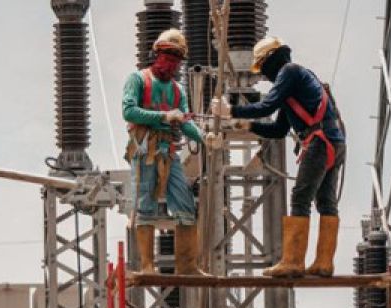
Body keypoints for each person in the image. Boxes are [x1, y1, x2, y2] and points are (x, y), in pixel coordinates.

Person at [215, 36, 346, 278]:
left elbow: (266, 106)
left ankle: (294, 262)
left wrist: (231, 110)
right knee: (326, 202)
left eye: (263, 68)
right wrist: (247, 125)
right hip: (333, 141)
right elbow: (279, 130)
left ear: (270, 60)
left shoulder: (290, 72)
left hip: (318, 142)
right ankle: (324, 263)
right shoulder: (297, 84)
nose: (264, 76)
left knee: (300, 198)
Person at [122, 28, 214, 275]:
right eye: (167, 57)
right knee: (145, 205)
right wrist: (164, 115)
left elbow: (184, 121)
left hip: (167, 151)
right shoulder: (138, 80)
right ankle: (148, 266)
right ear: (156, 54)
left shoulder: (177, 90)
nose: (171, 63)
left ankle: (188, 265)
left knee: (184, 203)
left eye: (175, 59)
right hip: (145, 149)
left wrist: (204, 137)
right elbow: (129, 111)